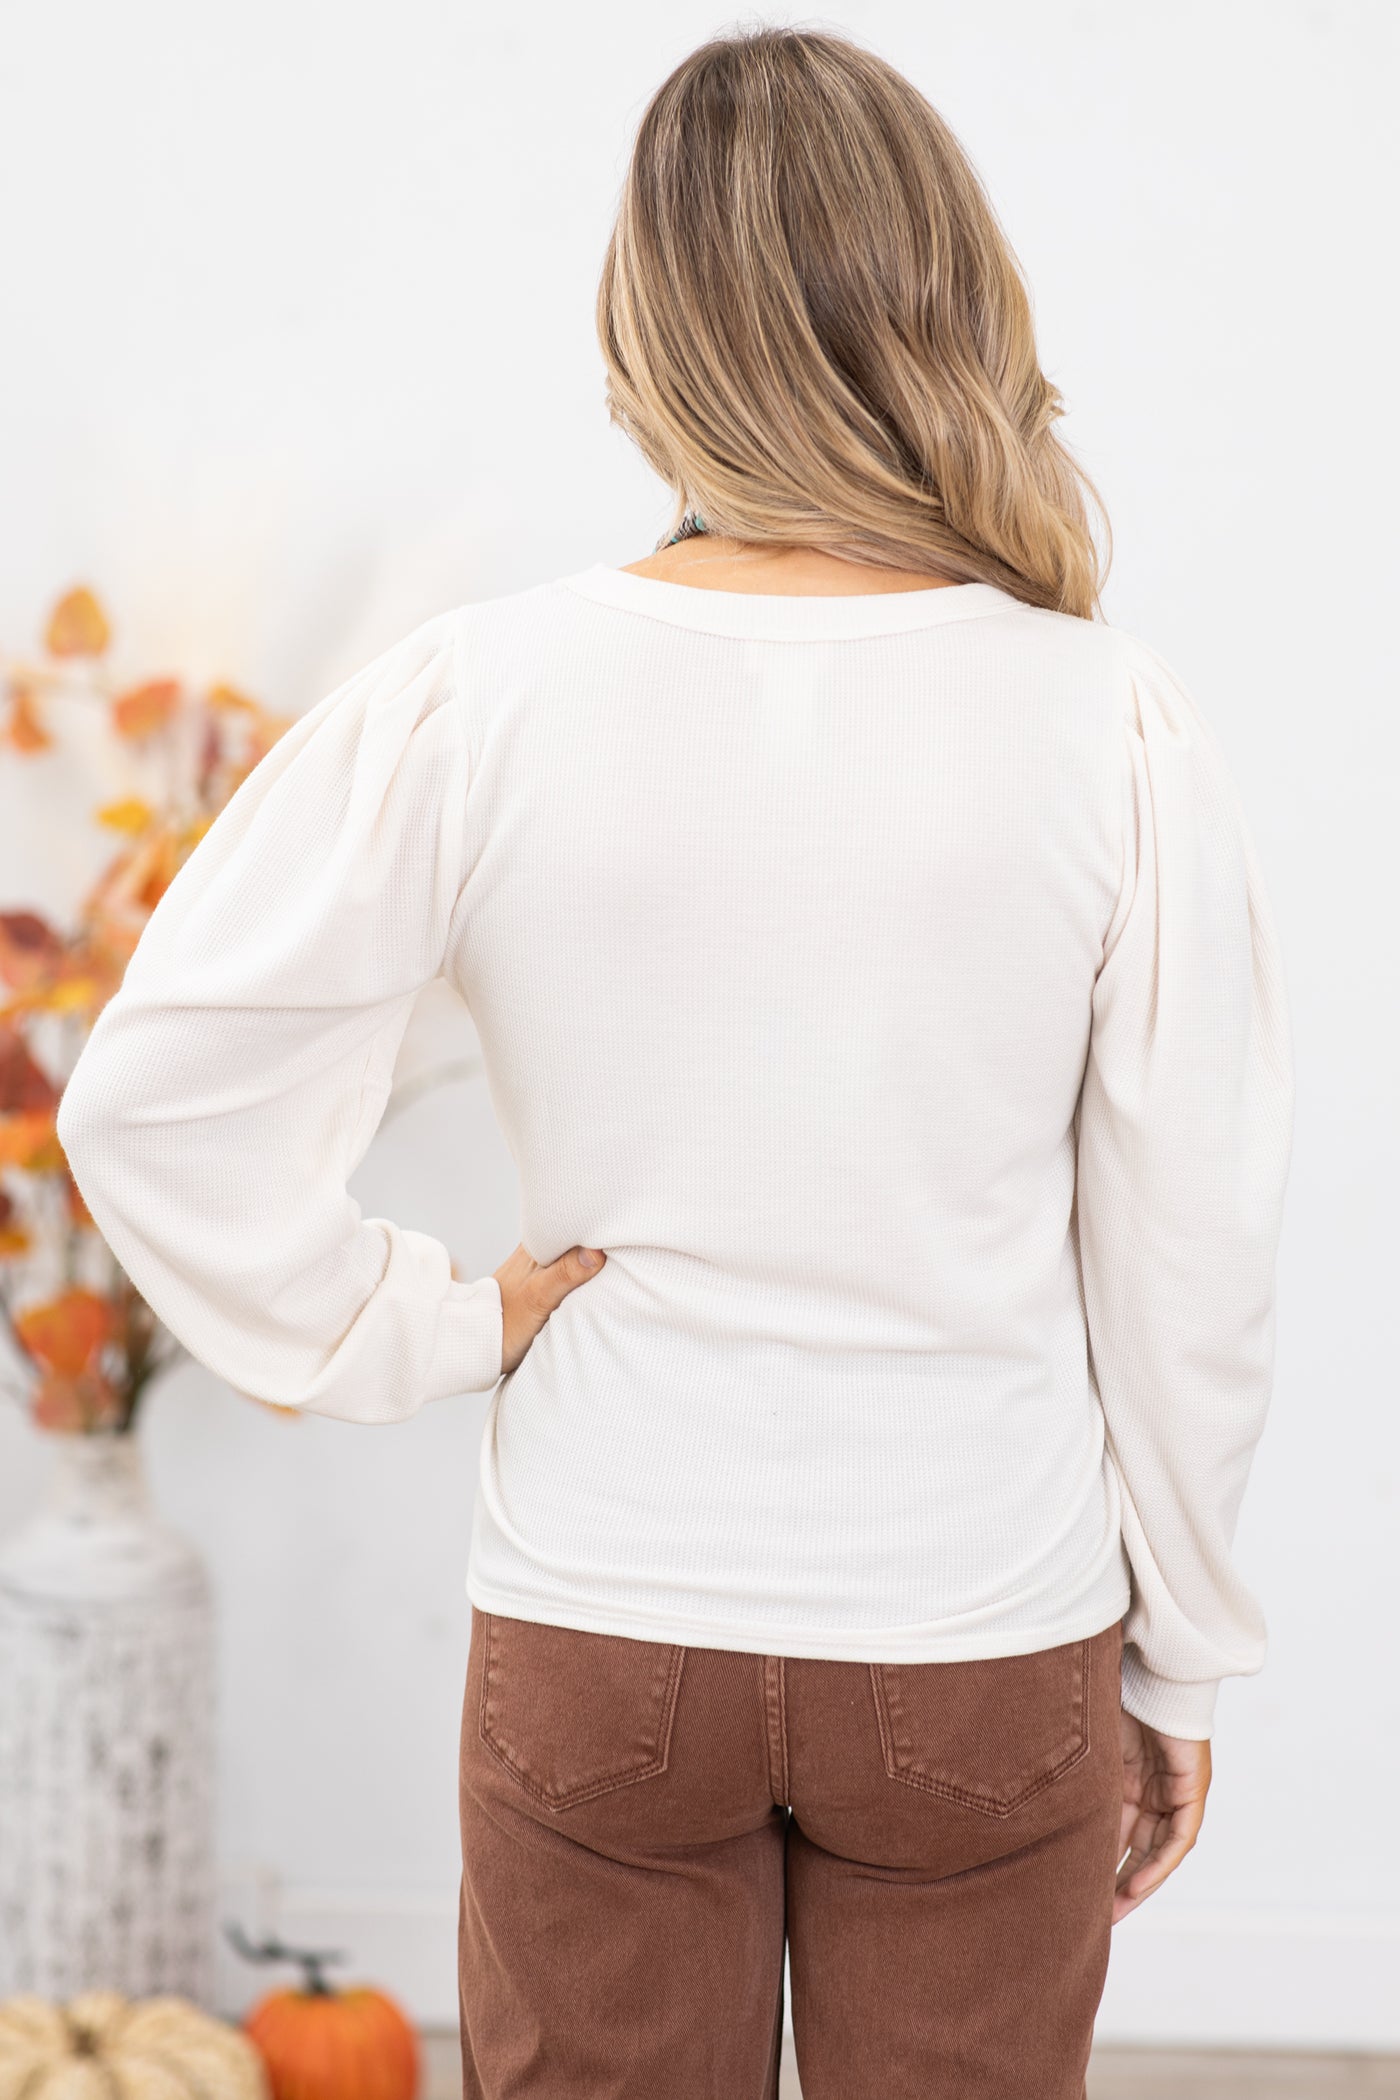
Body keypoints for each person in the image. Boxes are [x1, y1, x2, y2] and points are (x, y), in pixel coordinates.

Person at [55, 24, 1295, 2099]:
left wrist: (424, 1326)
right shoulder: (1109, 720)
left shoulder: (484, 696)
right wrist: (1183, 1653)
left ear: (644, 334)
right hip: (981, 1625)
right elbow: (1195, 1252)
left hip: (601, 1614)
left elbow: (153, 1098)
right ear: (952, 303)